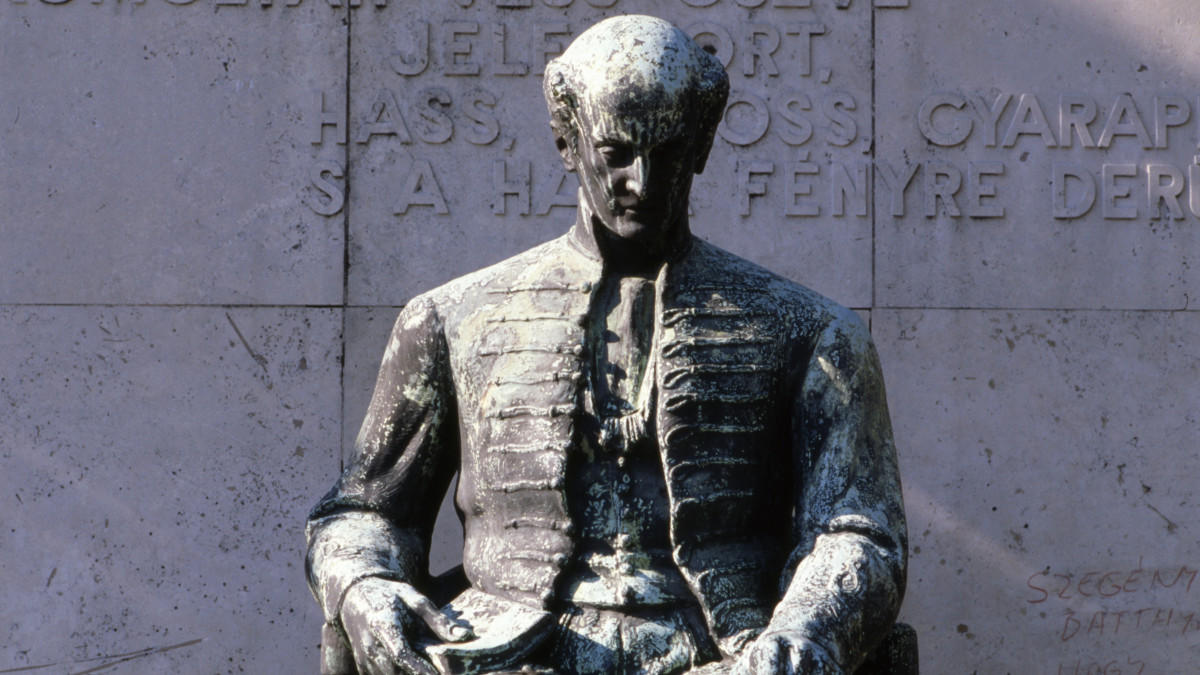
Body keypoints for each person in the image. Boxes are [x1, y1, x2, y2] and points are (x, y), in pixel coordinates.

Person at [306, 15, 907, 675]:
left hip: (725, 655)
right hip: (503, 651)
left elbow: (859, 531)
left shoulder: (811, 333)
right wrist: (365, 584)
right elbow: (362, 512)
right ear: (568, 141)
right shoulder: (450, 320)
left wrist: (801, 636)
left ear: (703, 144)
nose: (643, 183)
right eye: (616, 151)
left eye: (668, 152)